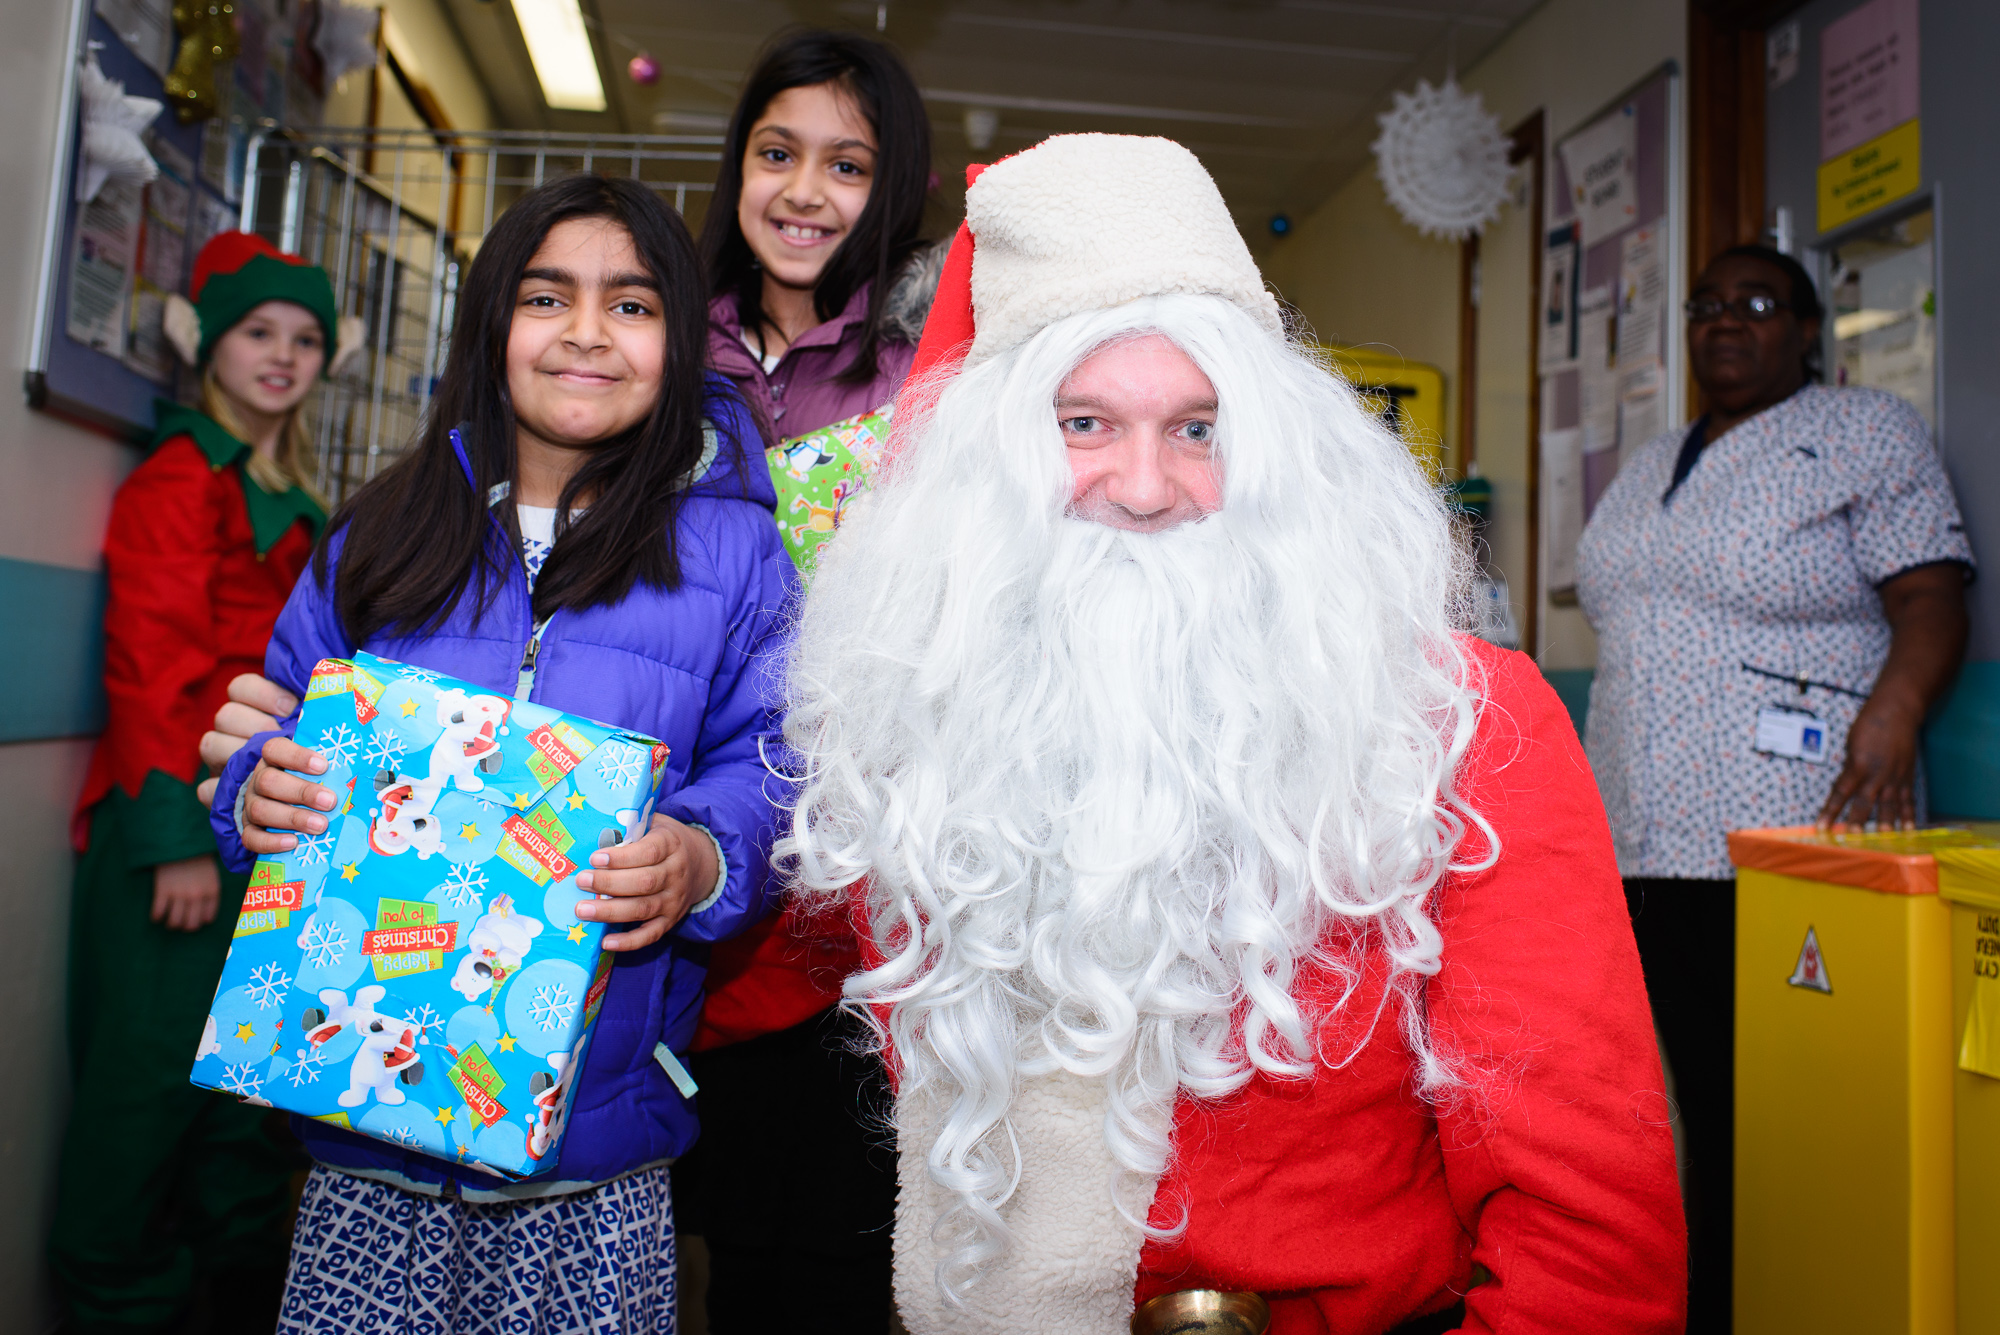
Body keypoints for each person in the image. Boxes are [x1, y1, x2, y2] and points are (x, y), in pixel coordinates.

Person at [782, 133, 1686, 1334]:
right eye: (1083, 423)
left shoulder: (1459, 724)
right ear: (987, 466)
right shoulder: (912, 719)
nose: (1143, 487)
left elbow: (1588, 1227)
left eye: (1197, 429)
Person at [203, 175, 792, 1334]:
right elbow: (280, 727)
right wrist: (249, 794)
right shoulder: (384, 527)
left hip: (593, 1149)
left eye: (631, 305)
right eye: (545, 297)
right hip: (359, 1125)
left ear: (678, 341)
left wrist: (702, 858)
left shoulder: (736, 552)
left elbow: (776, 764)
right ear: (491, 325)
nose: (586, 332)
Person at [1576, 244, 1973, 1330]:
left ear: (1807, 329)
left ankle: (1789, 1302)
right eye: (1706, 303)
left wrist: (1894, 712)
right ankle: (1710, 1302)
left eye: (1756, 302)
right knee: (1688, 1104)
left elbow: (1931, 596)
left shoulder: (1863, 433)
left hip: (1794, 831)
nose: (1725, 319)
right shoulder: (1650, 462)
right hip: (1642, 837)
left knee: (1785, 1109)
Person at [49, 231, 355, 1335]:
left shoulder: (293, 492)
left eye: (306, 338)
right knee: (142, 1104)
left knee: (235, 1105)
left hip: (260, 839)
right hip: (173, 842)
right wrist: (176, 842)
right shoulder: (180, 478)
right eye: (257, 332)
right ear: (207, 345)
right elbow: (150, 668)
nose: (282, 356)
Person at [686, 28, 939, 1332]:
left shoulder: (931, 370)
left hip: (873, 855)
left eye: (846, 165)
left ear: (889, 188)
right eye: (777, 153)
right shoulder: (665, 346)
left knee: (845, 1233)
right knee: (720, 1219)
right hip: (697, 825)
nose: (803, 191)